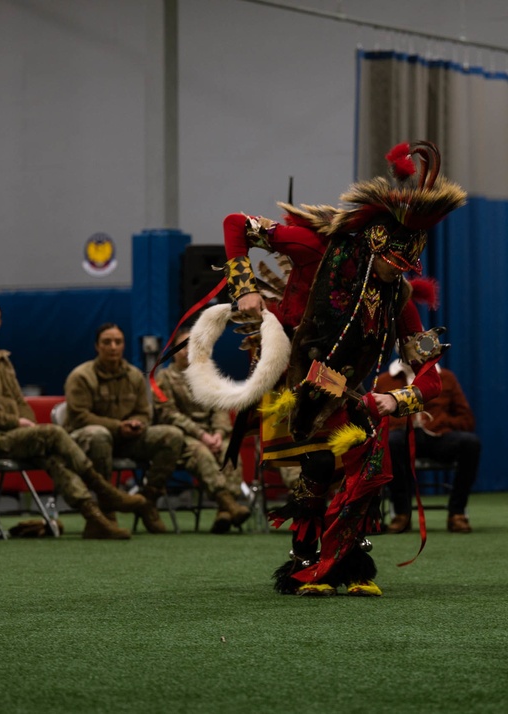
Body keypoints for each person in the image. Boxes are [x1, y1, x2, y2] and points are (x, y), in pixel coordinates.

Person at [186, 140, 466, 596]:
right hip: (294, 366)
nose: (398, 273)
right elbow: (237, 224)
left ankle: (349, 561)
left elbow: (431, 374)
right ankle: (304, 562)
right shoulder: (317, 247)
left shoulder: (397, 298)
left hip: (346, 387)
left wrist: (396, 398)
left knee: (366, 460)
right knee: (317, 462)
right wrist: (242, 289)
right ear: (374, 240)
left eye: (406, 265)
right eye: (393, 262)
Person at [0, 298, 147, 540]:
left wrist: (28, 422)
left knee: (52, 457)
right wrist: (16, 424)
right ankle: (105, 491)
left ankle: (94, 518)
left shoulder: (1, 359)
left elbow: (20, 402)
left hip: (11, 437)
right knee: (52, 433)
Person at [64, 322, 184, 534]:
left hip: (126, 439)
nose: (113, 347)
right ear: (97, 346)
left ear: (123, 345)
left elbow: (144, 412)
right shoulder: (81, 376)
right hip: (86, 440)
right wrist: (118, 426)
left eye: (118, 342)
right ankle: (106, 510)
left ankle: (147, 501)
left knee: (172, 435)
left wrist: (136, 423)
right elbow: (80, 416)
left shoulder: (135, 375)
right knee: (100, 436)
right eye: (107, 342)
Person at [154, 328, 251, 534]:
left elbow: (219, 409)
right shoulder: (164, 379)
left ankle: (224, 512)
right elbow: (169, 414)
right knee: (202, 453)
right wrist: (202, 436)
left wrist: (218, 433)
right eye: (182, 346)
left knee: (229, 451)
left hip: (211, 436)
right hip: (183, 439)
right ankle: (229, 505)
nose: (187, 350)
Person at [374, 357, 480, 533]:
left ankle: (457, 512)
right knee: (390, 442)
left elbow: (466, 420)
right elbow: (374, 419)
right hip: (402, 438)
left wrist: (441, 421)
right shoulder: (385, 380)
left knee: (471, 444)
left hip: (437, 437)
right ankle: (401, 513)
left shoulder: (446, 377)